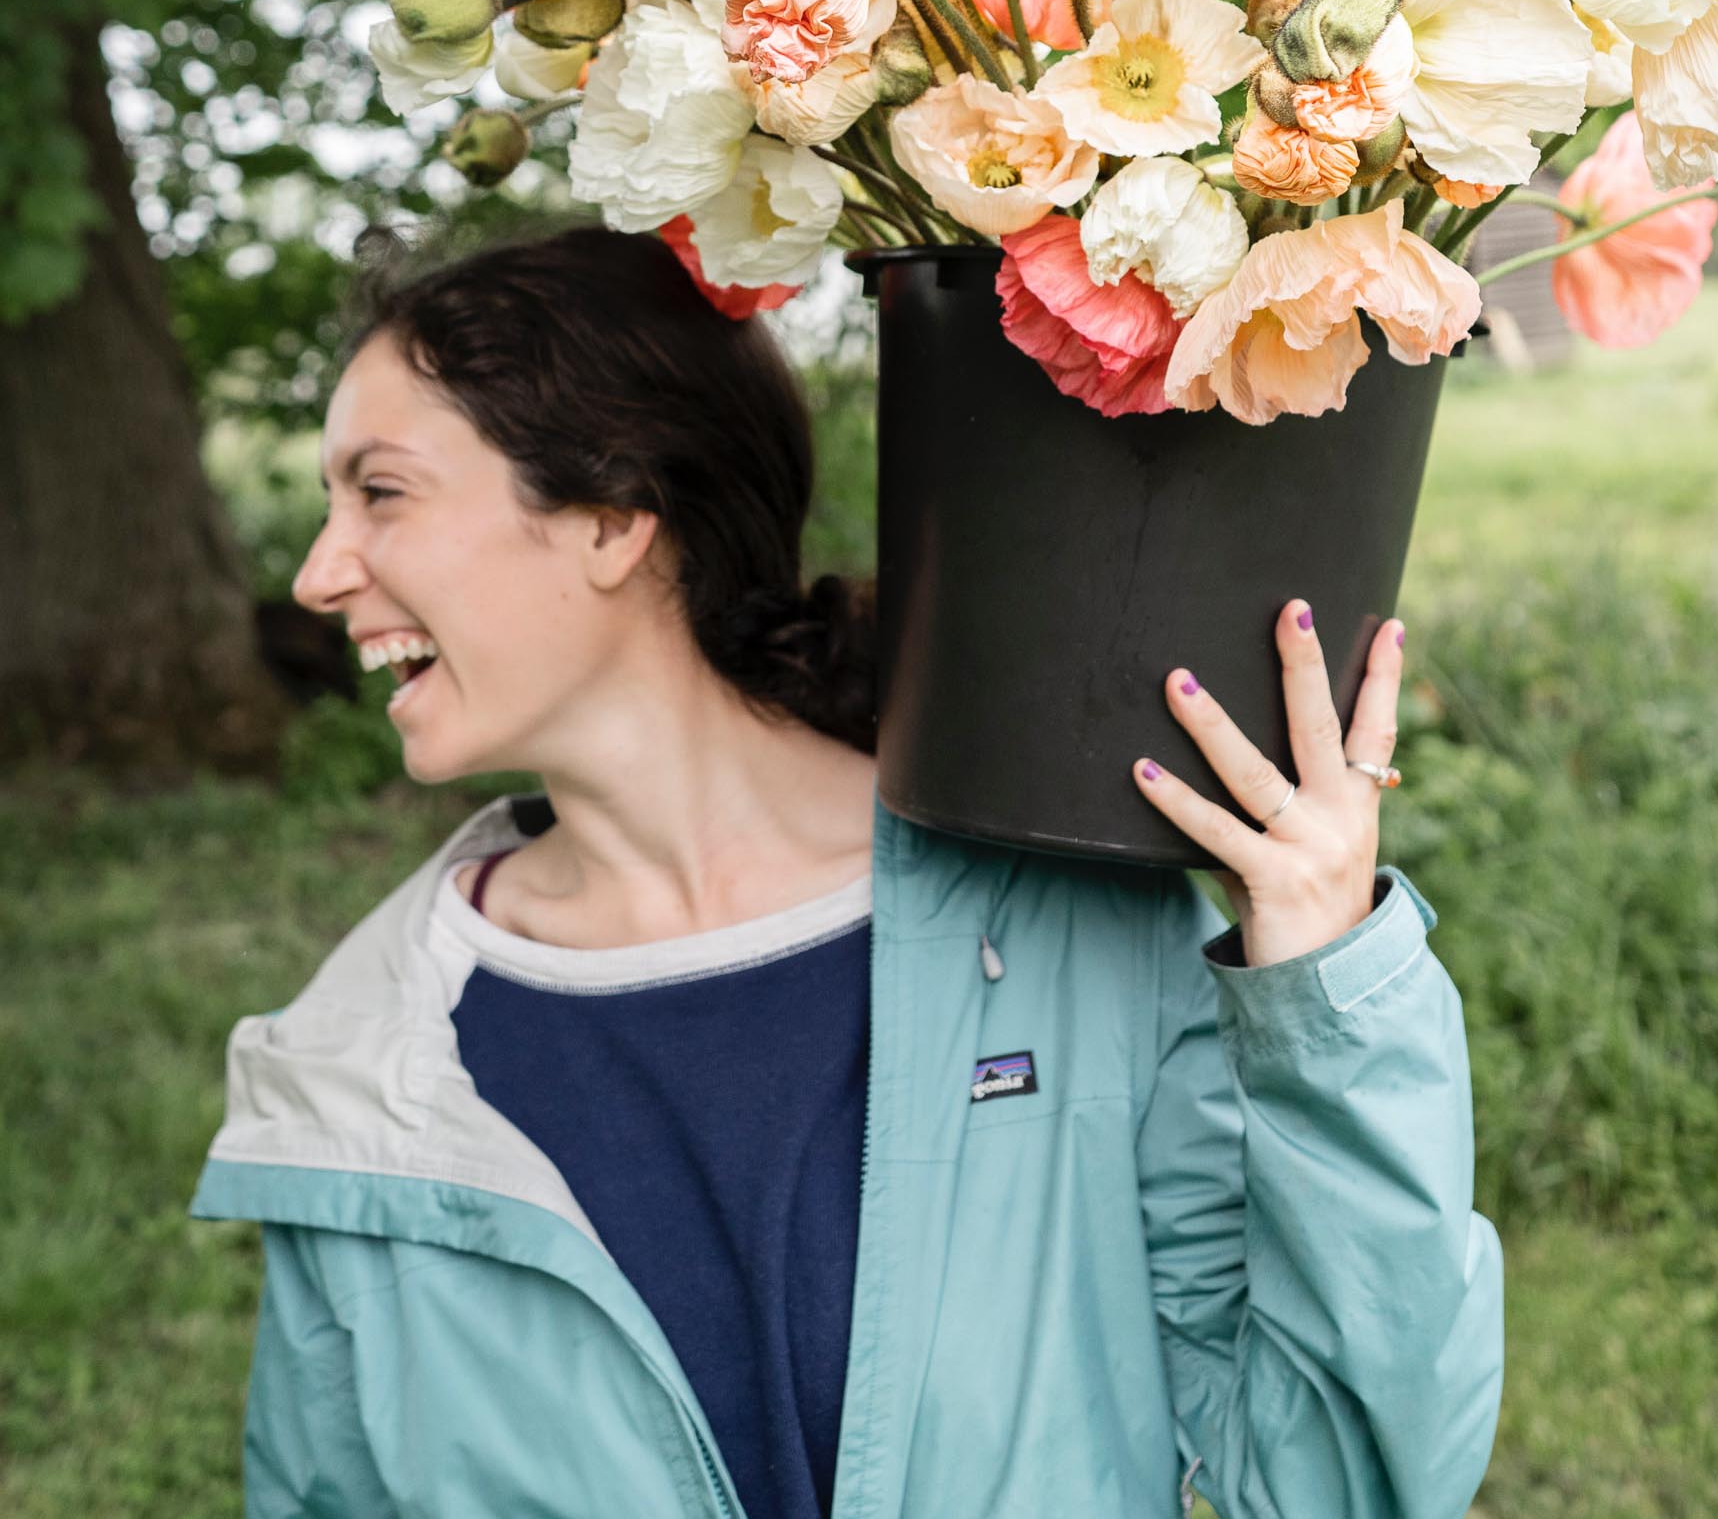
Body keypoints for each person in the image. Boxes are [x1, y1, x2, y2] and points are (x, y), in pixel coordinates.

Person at [190, 222, 1504, 1519]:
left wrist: (1331, 980)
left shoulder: (1055, 940)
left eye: (381, 491)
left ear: (610, 514)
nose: (316, 575)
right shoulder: (356, 1082)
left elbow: (1343, 1478)